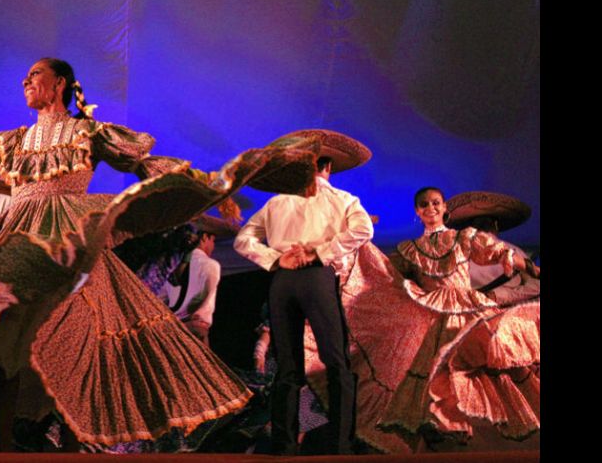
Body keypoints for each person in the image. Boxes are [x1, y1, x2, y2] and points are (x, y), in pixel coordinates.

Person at [0, 58, 318, 452]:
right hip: (18, 235)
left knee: (78, 335)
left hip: (72, 235)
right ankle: (4, 445)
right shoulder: (10, 142)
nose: (26, 81)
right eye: (24, 76)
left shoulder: (87, 133)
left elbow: (147, 165)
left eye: (35, 74)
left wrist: (207, 187)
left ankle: (75, 443)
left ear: (59, 83)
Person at [234, 136, 372, 455]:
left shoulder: (276, 202)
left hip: (282, 281)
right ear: (327, 168)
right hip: (316, 278)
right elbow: (364, 230)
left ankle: (283, 446)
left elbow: (243, 240)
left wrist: (275, 259)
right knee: (336, 361)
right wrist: (318, 252)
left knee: (287, 366)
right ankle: (340, 445)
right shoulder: (343, 198)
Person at [375, 187, 540, 448]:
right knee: (433, 370)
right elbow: (385, 275)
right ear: (418, 211)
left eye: (436, 203)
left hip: (469, 307)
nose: (431, 208)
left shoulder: (464, 238)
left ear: (445, 209)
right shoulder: (409, 249)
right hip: (431, 313)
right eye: (424, 204)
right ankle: (445, 423)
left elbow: (502, 254)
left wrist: (535, 270)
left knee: (489, 359)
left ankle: (489, 431)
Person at [445, 191, 539, 304]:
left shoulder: (452, 253)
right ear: (496, 226)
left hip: (486, 313)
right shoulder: (513, 250)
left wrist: (497, 296)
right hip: (492, 311)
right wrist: (501, 295)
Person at [161, 215, 235, 346]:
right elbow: (203, 296)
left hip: (175, 328)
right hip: (196, 327)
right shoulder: (210, 264)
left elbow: (161, 298)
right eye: (213, 241)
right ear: (205, 237)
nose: (213, 246)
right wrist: (187, 316)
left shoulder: (172, 265)